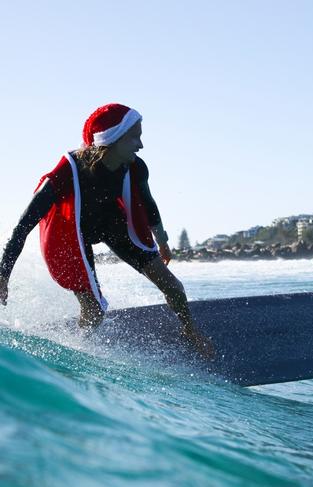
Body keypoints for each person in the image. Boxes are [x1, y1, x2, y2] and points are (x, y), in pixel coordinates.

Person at [0, 103, 212, 357]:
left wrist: (162, 241)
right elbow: (25, 224)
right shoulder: (69, 170)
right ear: (112, 139)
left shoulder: (135, 167)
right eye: (135, 137)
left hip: (112, 224)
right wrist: (3, 275)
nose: (140, 145)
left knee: (174, 287)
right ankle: (77, 349)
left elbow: (148, 204)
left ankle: (190, 331)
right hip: (70, 234)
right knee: (95, 311)